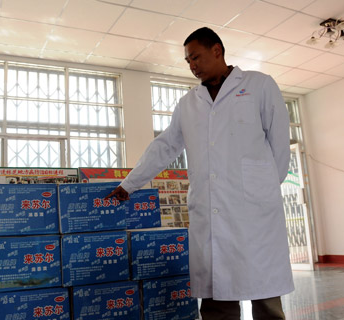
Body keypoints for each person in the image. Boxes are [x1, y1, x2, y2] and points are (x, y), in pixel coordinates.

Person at [106, 27, 294, 319]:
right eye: (187, 61)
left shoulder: (259, 85)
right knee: (217, 296)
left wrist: (264, 187)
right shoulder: (188, 103)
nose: (192, 65)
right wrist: (130, 184)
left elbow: (280, 143)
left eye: (196, 57)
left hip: (256, 215)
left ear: (217, 50)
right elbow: (165, 146)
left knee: (265, 296)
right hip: (211, 213)